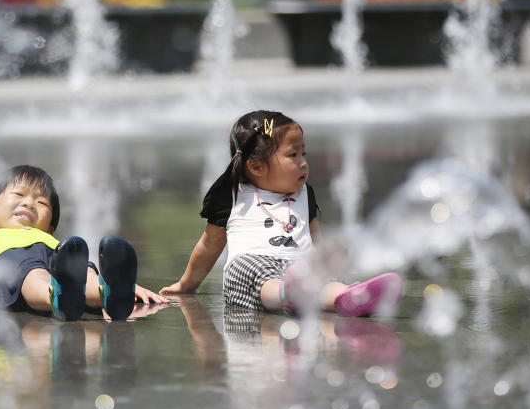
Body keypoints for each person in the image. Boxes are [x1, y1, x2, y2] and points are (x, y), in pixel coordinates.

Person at [160, 110, 402, 316]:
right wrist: (186, 284)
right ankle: (288, 294)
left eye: (303, 154)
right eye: (292, 155)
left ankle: (349, 297)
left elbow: (315, 238)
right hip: (251, 263)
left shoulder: (305, 193)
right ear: (256, 166)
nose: (303, 162)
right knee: (256, 273)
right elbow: (209, 245)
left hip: (300, 266)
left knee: (321, 279)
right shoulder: (233, 195)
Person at [0, 165, 167, 321]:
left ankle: (109, 293)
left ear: (50, 226)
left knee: (83, 269)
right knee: (33, 274)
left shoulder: (52, 241)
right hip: (3, 264)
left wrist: (129, 287)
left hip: (56, 263)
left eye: (41, 201)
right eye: (19, 194)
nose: (29, 202)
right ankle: (56, 294)